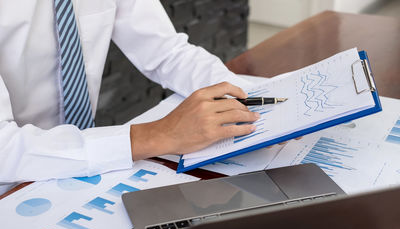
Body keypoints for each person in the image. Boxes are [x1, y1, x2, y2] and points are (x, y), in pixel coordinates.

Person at [0, 0, 259, 194]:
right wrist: (161, 135)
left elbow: (167, 51)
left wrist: (254, 101)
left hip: (84, 170)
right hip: (10, 184)